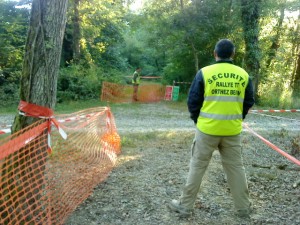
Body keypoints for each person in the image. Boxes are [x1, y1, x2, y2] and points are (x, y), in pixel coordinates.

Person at [168, 39, 255, 219]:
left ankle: (185, 207)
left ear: (215, 54)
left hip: (206, 131)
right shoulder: (243, 75)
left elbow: (193, 102)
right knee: (236, 169)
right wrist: (238, 119)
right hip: (232, 131)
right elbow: (248, 102)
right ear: (233, 54)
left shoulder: (204, 73)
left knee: (197, 167)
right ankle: (243, 209)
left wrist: (199, 122)